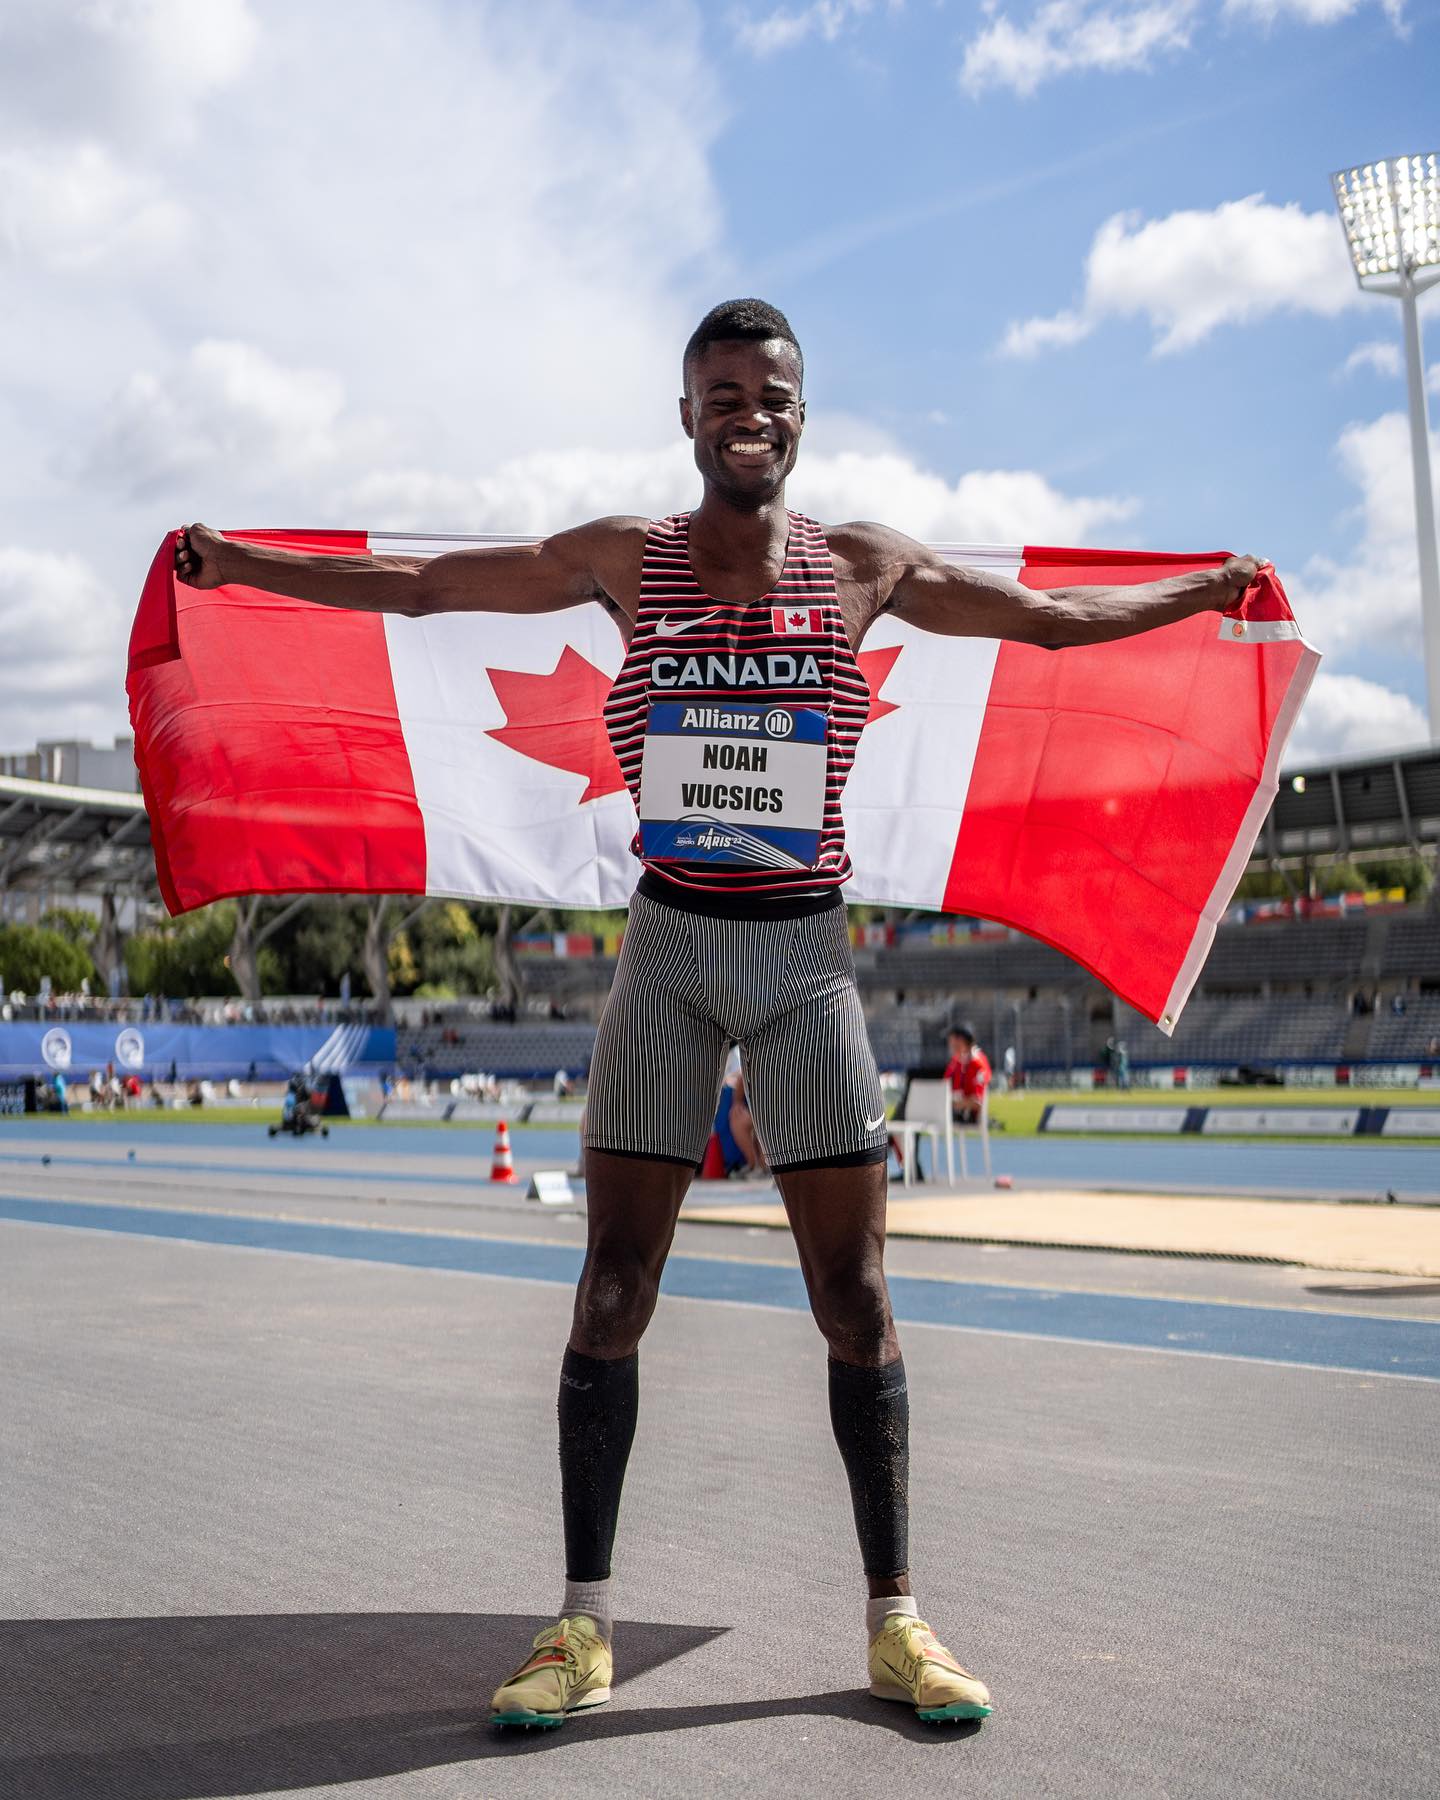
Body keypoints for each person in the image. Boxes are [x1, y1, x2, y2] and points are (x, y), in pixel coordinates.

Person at [174, 297, 1262, 1731]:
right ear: (686, 416)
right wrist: (242, 562)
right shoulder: (632, 559)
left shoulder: (863, 565)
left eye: (774, 391)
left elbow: (1054, 625)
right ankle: (582, 1629)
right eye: (723, 391)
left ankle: (897, 1625)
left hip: (806, 960)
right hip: (671, 954)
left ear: (803, 412)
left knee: (854, 1298)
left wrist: (1202, 592)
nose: (751, 411)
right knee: (614, 1292)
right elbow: (432, 590)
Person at [943, 1026, 991, 1126]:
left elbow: (977, 1101)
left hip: (967, 1114)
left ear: (961, 1041)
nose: (950, 1045)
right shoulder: (956, 1061)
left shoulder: (977, 1063)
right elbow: (944, 1086)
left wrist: (951, 1104)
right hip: (953, 1108)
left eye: (952, 1041)